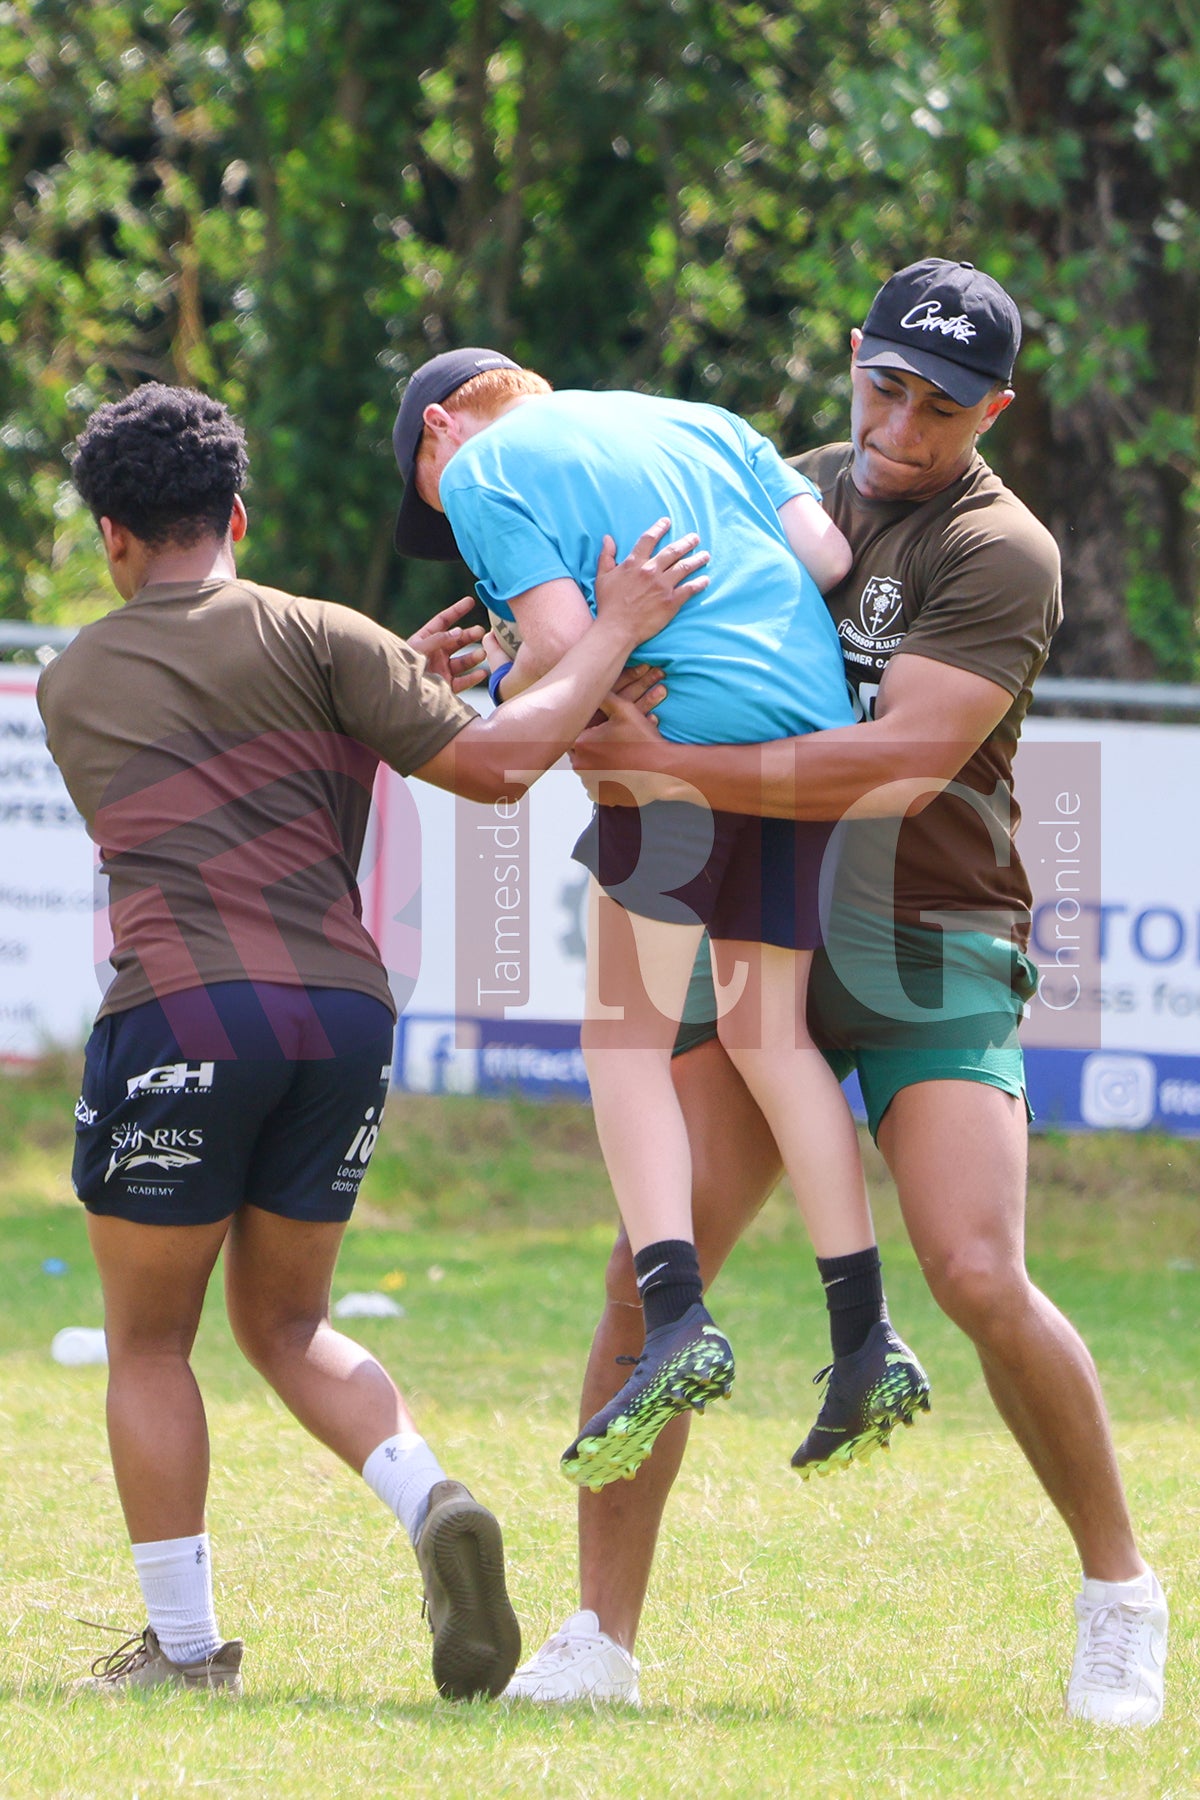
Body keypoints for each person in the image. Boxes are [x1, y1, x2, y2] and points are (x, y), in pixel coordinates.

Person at [504, 259, 1168, 1727]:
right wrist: (556, 682)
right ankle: (600, 1637)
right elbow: (607, 635)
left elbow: (898, 763)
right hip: (753, 925)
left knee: (978, 1273)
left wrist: (668, 769)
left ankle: (1121, 1592)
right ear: (853, 357)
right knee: (644, 1271)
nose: (903, 422)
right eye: (885, 382)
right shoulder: (768, 484)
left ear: (995, 409)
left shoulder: (1005, 549)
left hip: (926, 937)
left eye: (942, 404)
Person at [38, 381, 699, 1699]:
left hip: (181, 1008)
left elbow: (215, 775)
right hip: (338, 1016)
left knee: (153, 1344)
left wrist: (404, 688)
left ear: (112, 536)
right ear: (237, 512)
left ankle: (182, 1650)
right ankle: (432, 1497)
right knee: (289, 1320)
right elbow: (501, 763)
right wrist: (606, 628)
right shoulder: (330, 638)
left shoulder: (72, 682)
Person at [391, 352, 932, 1494]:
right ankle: (864, 1339)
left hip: (678, 744)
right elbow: (826, 556)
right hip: (799, 739)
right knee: (769, 1034)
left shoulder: (487, 471)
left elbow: (550, 639)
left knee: (622, 1039)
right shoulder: (705, 416)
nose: (456, 526)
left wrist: (493, 692)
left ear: (444, 428)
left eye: (430, 497)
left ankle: (675, 1313)